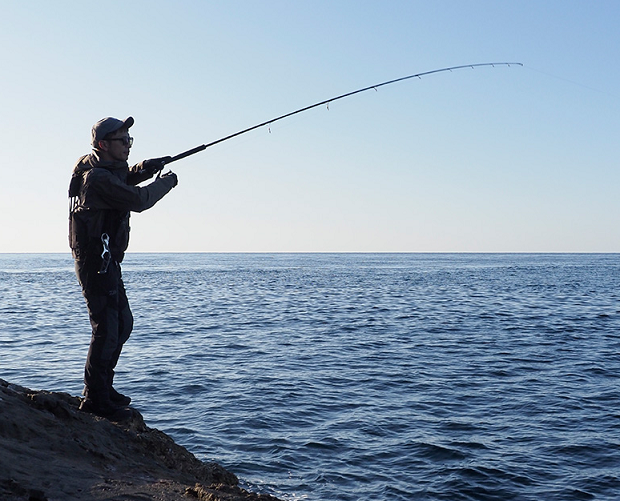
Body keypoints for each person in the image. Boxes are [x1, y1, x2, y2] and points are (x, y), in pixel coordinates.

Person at [68, 116, 178, 420]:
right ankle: (95, 398)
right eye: (122, 141)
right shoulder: (97, 179)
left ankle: (103, 386)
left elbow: (124, 176)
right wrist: (165, 182)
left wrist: (144, 168)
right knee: (107, 329)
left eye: (130, 140)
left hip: (106, 262)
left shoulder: (98, 167)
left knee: (123, 324)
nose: (128, 145)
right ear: (103, 145)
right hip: (95, 263)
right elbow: (138, 200)